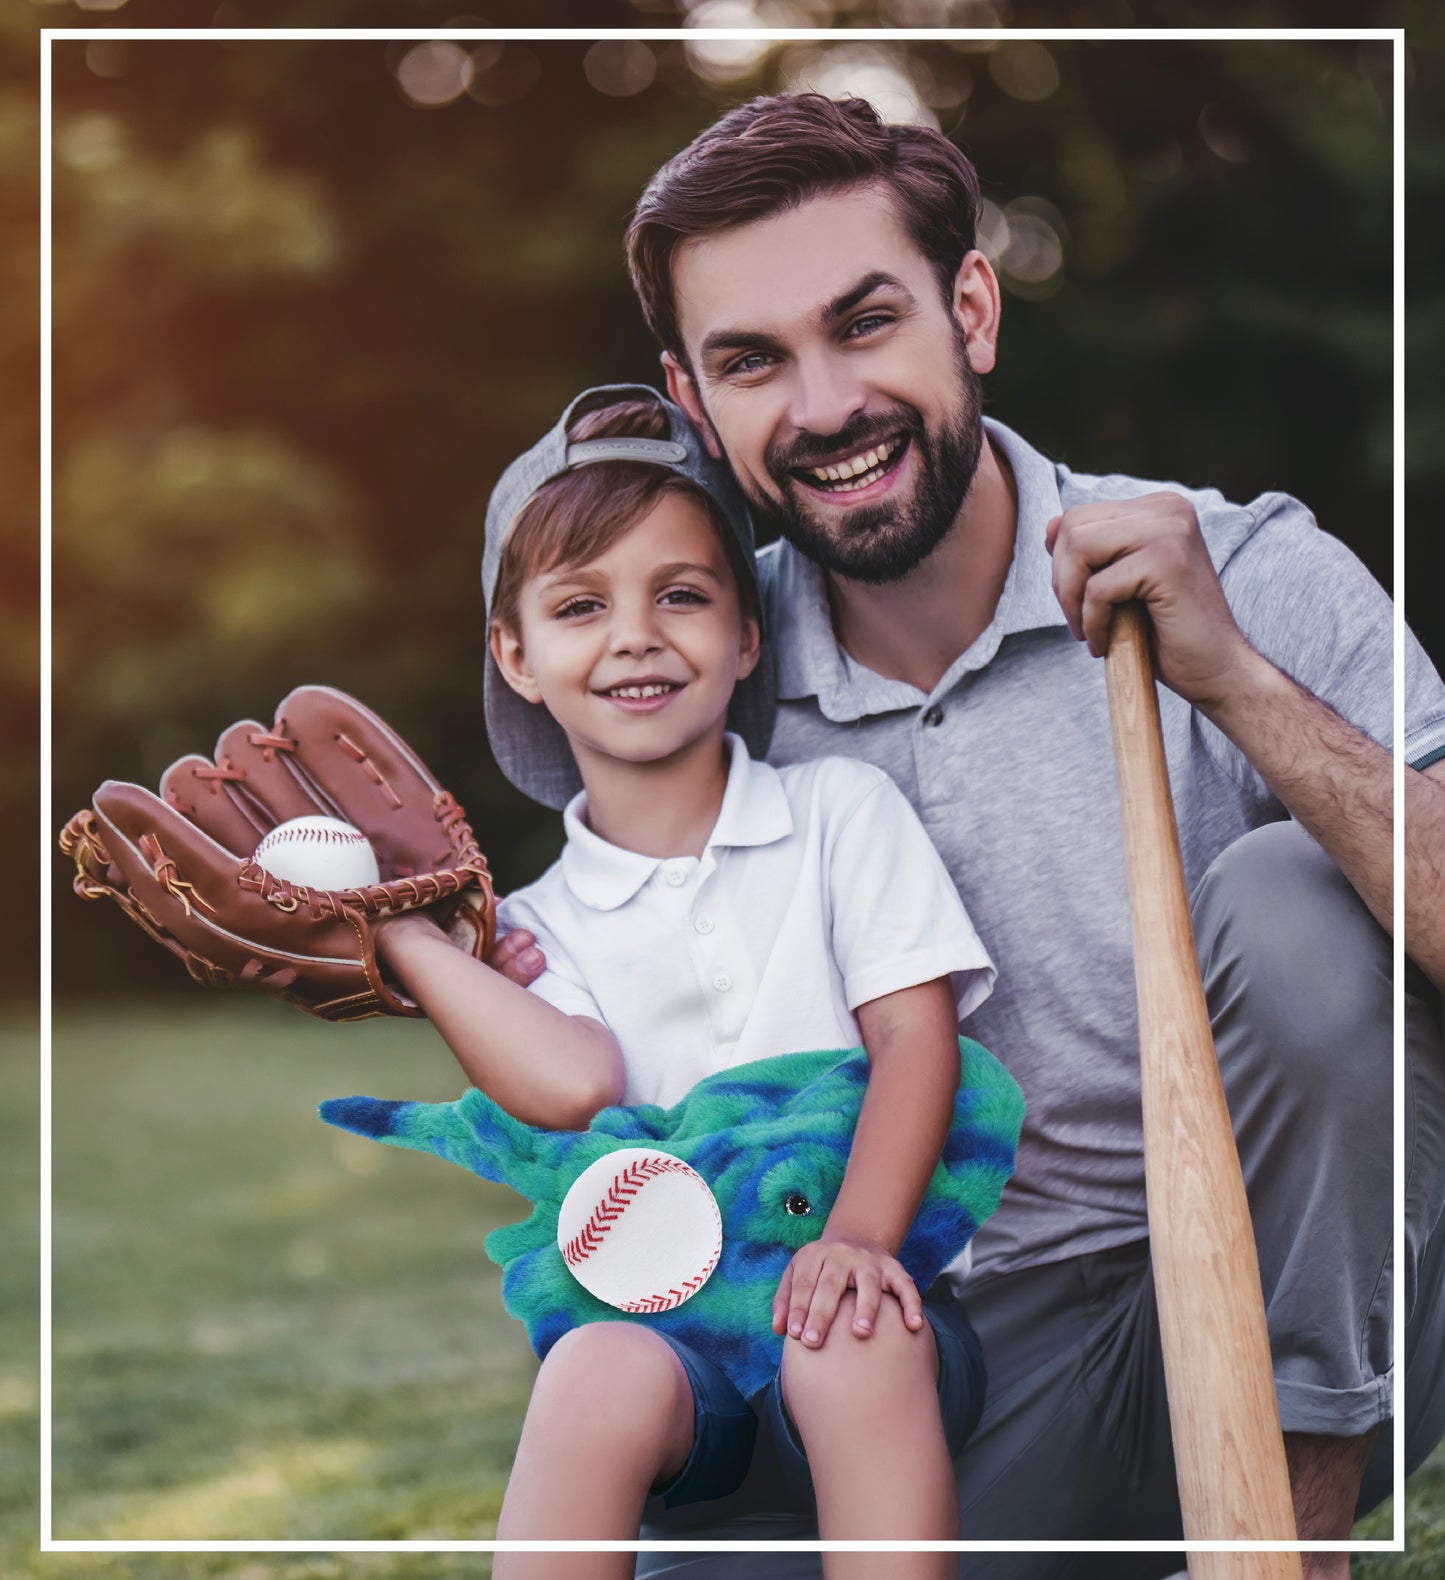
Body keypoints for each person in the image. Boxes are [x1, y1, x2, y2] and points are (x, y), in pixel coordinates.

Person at [487, 94, 1445, 1578]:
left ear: (972, 307)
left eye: (864, 323)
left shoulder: (1241, 567)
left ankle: (1273, 1555)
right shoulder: (694, 663)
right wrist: (388, 938)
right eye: (752, 361)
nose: (820, 407)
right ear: (692, 396)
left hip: (1295, 1301)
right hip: (926, 1362)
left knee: (1292, 902)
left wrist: (1240, 684)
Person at [376, 384, 1002, 1579]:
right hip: (680, 1365)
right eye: (577, 605)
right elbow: (571, 1080)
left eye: (681, 594)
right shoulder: (529, 930)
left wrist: (857, 1239)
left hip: (881, 1322)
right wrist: (409, 941)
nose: (634, 635)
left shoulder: (835, 814)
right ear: (513, 653)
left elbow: (917, 1043)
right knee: (589, 1366)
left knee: (849, 1332)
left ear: (746, 631)